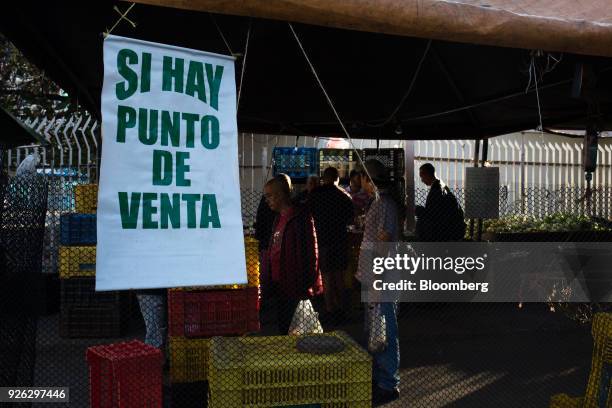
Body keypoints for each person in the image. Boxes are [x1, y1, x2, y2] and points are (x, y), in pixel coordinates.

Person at [356, 159, 402, 405]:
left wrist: (375, 277)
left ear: (369, 179)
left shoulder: (384, 205)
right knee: (377, 329)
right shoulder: (380, 203)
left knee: (384, 329)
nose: (359, 182)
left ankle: (388, 382)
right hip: (376, 278)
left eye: (362, 178)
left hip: (381, 279)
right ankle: (381, 377)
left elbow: (383, 242)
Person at [263, 174, 323, 334]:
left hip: (296, 288)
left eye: (270, 195)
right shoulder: (279, 218)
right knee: (286, 329)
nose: (267, 200)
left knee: (295, 332)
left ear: (281, 194)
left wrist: (306, 285)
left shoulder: (300, 218)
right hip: (281, 286)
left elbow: (312, 254)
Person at [309, 167, 354, 321]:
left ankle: (329, 309)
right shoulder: (344, 195)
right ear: (337, 179)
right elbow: (351, 218)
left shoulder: (315, 194)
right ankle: (341, 308)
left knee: (327, 276)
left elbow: (309, 214)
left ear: (324, 178)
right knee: (339, 276)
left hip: (323, 241)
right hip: (340, 240)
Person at [415, 163, 466, 241]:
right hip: (450, 229)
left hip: (443, 231)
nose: (422, 180)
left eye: (422, 176)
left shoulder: (436, 190)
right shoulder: (441, 187)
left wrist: (418, 209)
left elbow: (432, 213)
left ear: (427, 174)